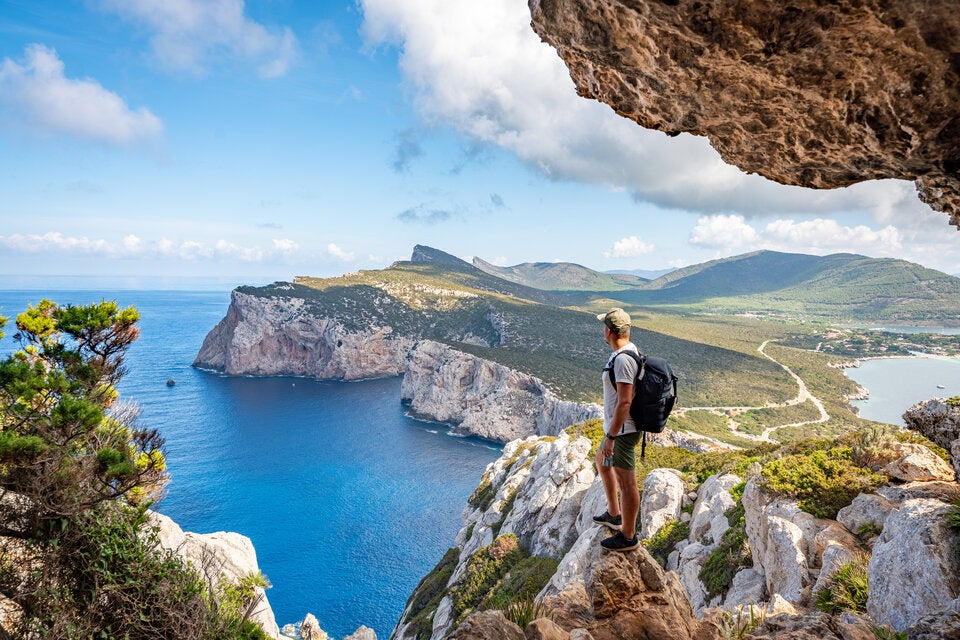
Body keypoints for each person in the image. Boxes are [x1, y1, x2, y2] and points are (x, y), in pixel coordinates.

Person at [592, 307, 642, 551]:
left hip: (623, 431)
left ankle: (628, 536)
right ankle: (614, 513)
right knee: (601, 461)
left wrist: (612, 435)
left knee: (627, 483)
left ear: (609, 331)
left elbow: (625, 402)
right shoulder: (626, 352)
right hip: (616, 428)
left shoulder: (623, 360)